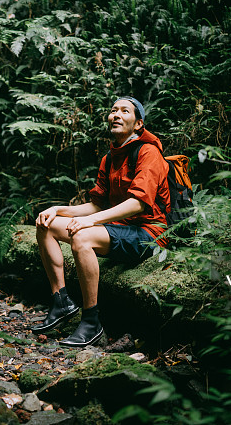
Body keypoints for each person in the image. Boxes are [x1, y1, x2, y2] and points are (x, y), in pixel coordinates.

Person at [31, 96, 171, 347]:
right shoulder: (110, 157)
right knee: (46, 225)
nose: (116, 114)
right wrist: (57, 209)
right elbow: (97, 204)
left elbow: (138, 203)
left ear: (138, 124)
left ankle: (92, 321)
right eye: (113, 110)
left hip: (149, 234)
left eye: (124, 111)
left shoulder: (149, 153)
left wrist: (90, 222)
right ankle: (61, 301)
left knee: (82, 236)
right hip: (118, 229)